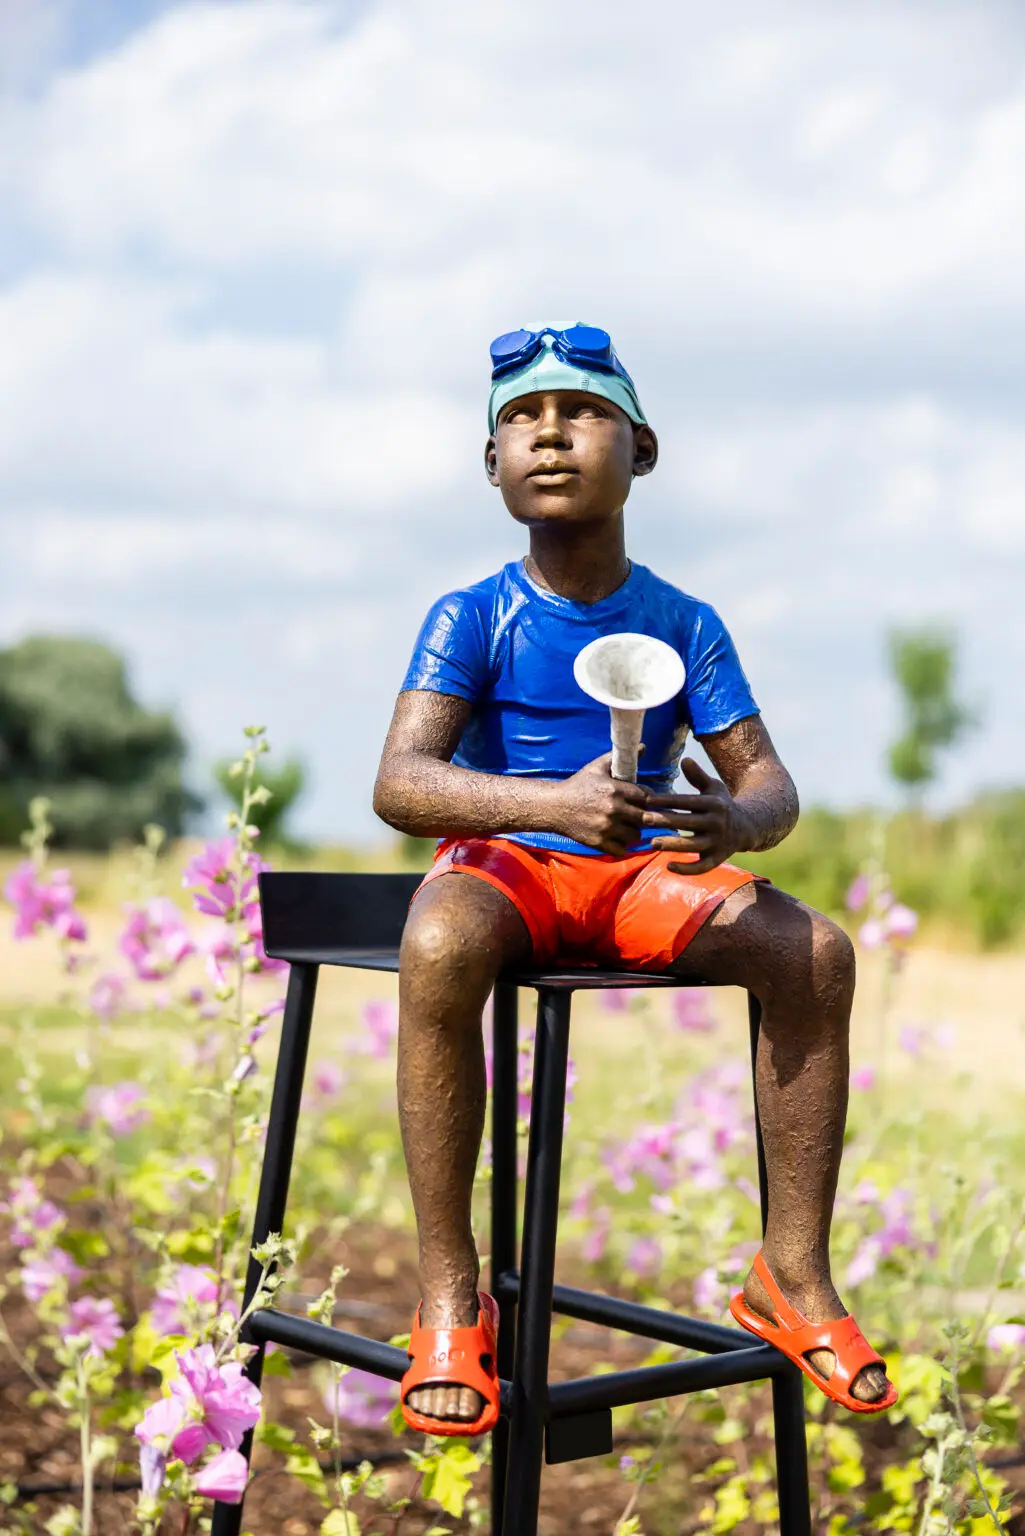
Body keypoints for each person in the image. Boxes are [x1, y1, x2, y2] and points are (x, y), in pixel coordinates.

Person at [373, 324, 896, 1437]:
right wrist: (543, 804)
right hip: (508, 868)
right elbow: (402, 783)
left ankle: (789, 1274)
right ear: (490, 467)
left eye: (580, 413)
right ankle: (447, 1296)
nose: (547, 435)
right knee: (437, 943)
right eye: (518, 421)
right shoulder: (471, 614)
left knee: (813, 954)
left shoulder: (683, 623)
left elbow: (768, 784)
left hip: (635, 878)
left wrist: (733, 821)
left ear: (641, 451)